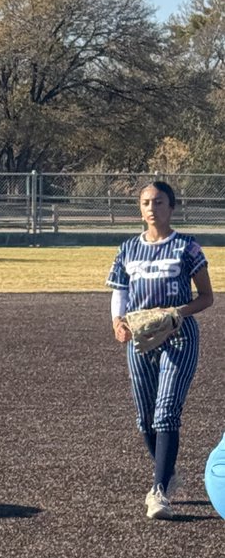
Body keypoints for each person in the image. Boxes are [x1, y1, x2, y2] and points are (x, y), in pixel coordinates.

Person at [107, 180, 213, 520]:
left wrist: (174, 314)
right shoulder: (127, 249)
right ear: (140, 208)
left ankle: (159, 491)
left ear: (172, 206)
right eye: (146, 202)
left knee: (166, 410)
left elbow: (206, 297)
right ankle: (167, 472)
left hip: (178, 337)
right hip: (141, 339)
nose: (152, 208)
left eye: (160, 202)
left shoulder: (186, 247)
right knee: (145, 416)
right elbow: (120, 292)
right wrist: (117, 322)